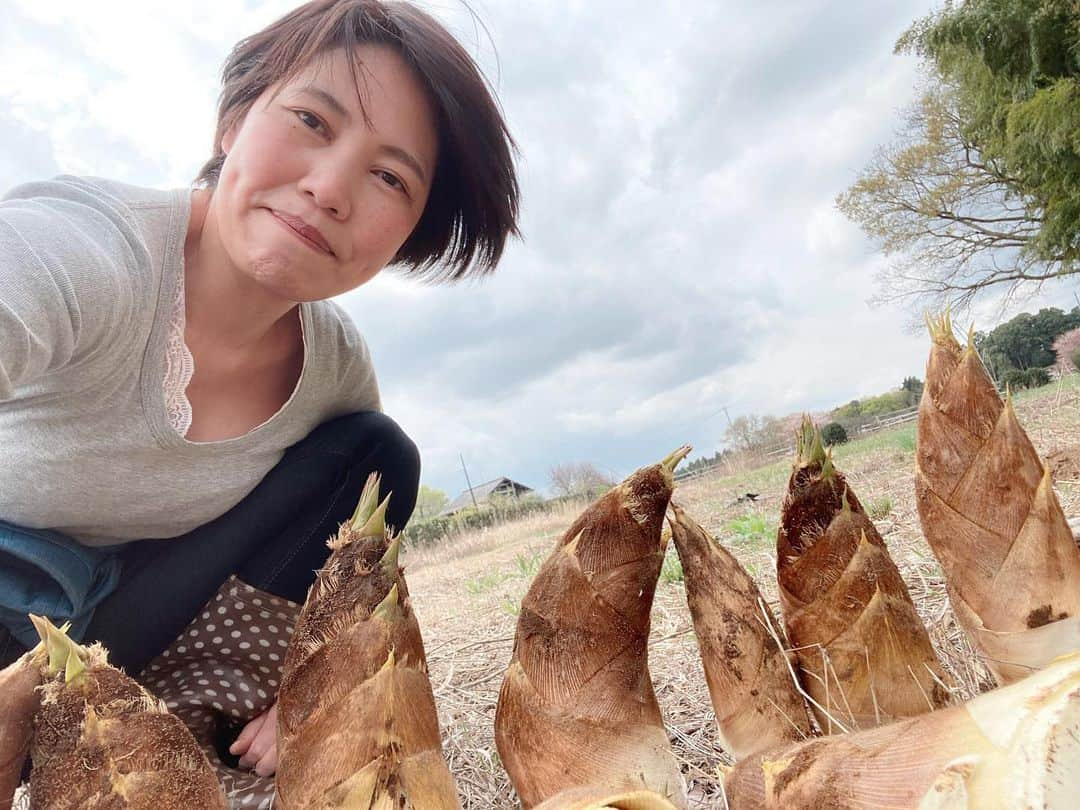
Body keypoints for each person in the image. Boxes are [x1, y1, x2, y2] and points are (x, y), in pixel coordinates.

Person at [0, 0, 519, 779]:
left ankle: (190, 735)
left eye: (389, 176)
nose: (329, 187)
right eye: (312, 120)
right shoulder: (89, 247)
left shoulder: (335, 368)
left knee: (377, 457)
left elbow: (360, 557)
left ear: (407, 236)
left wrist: (326, 674)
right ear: (235, 118)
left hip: (118, 630)